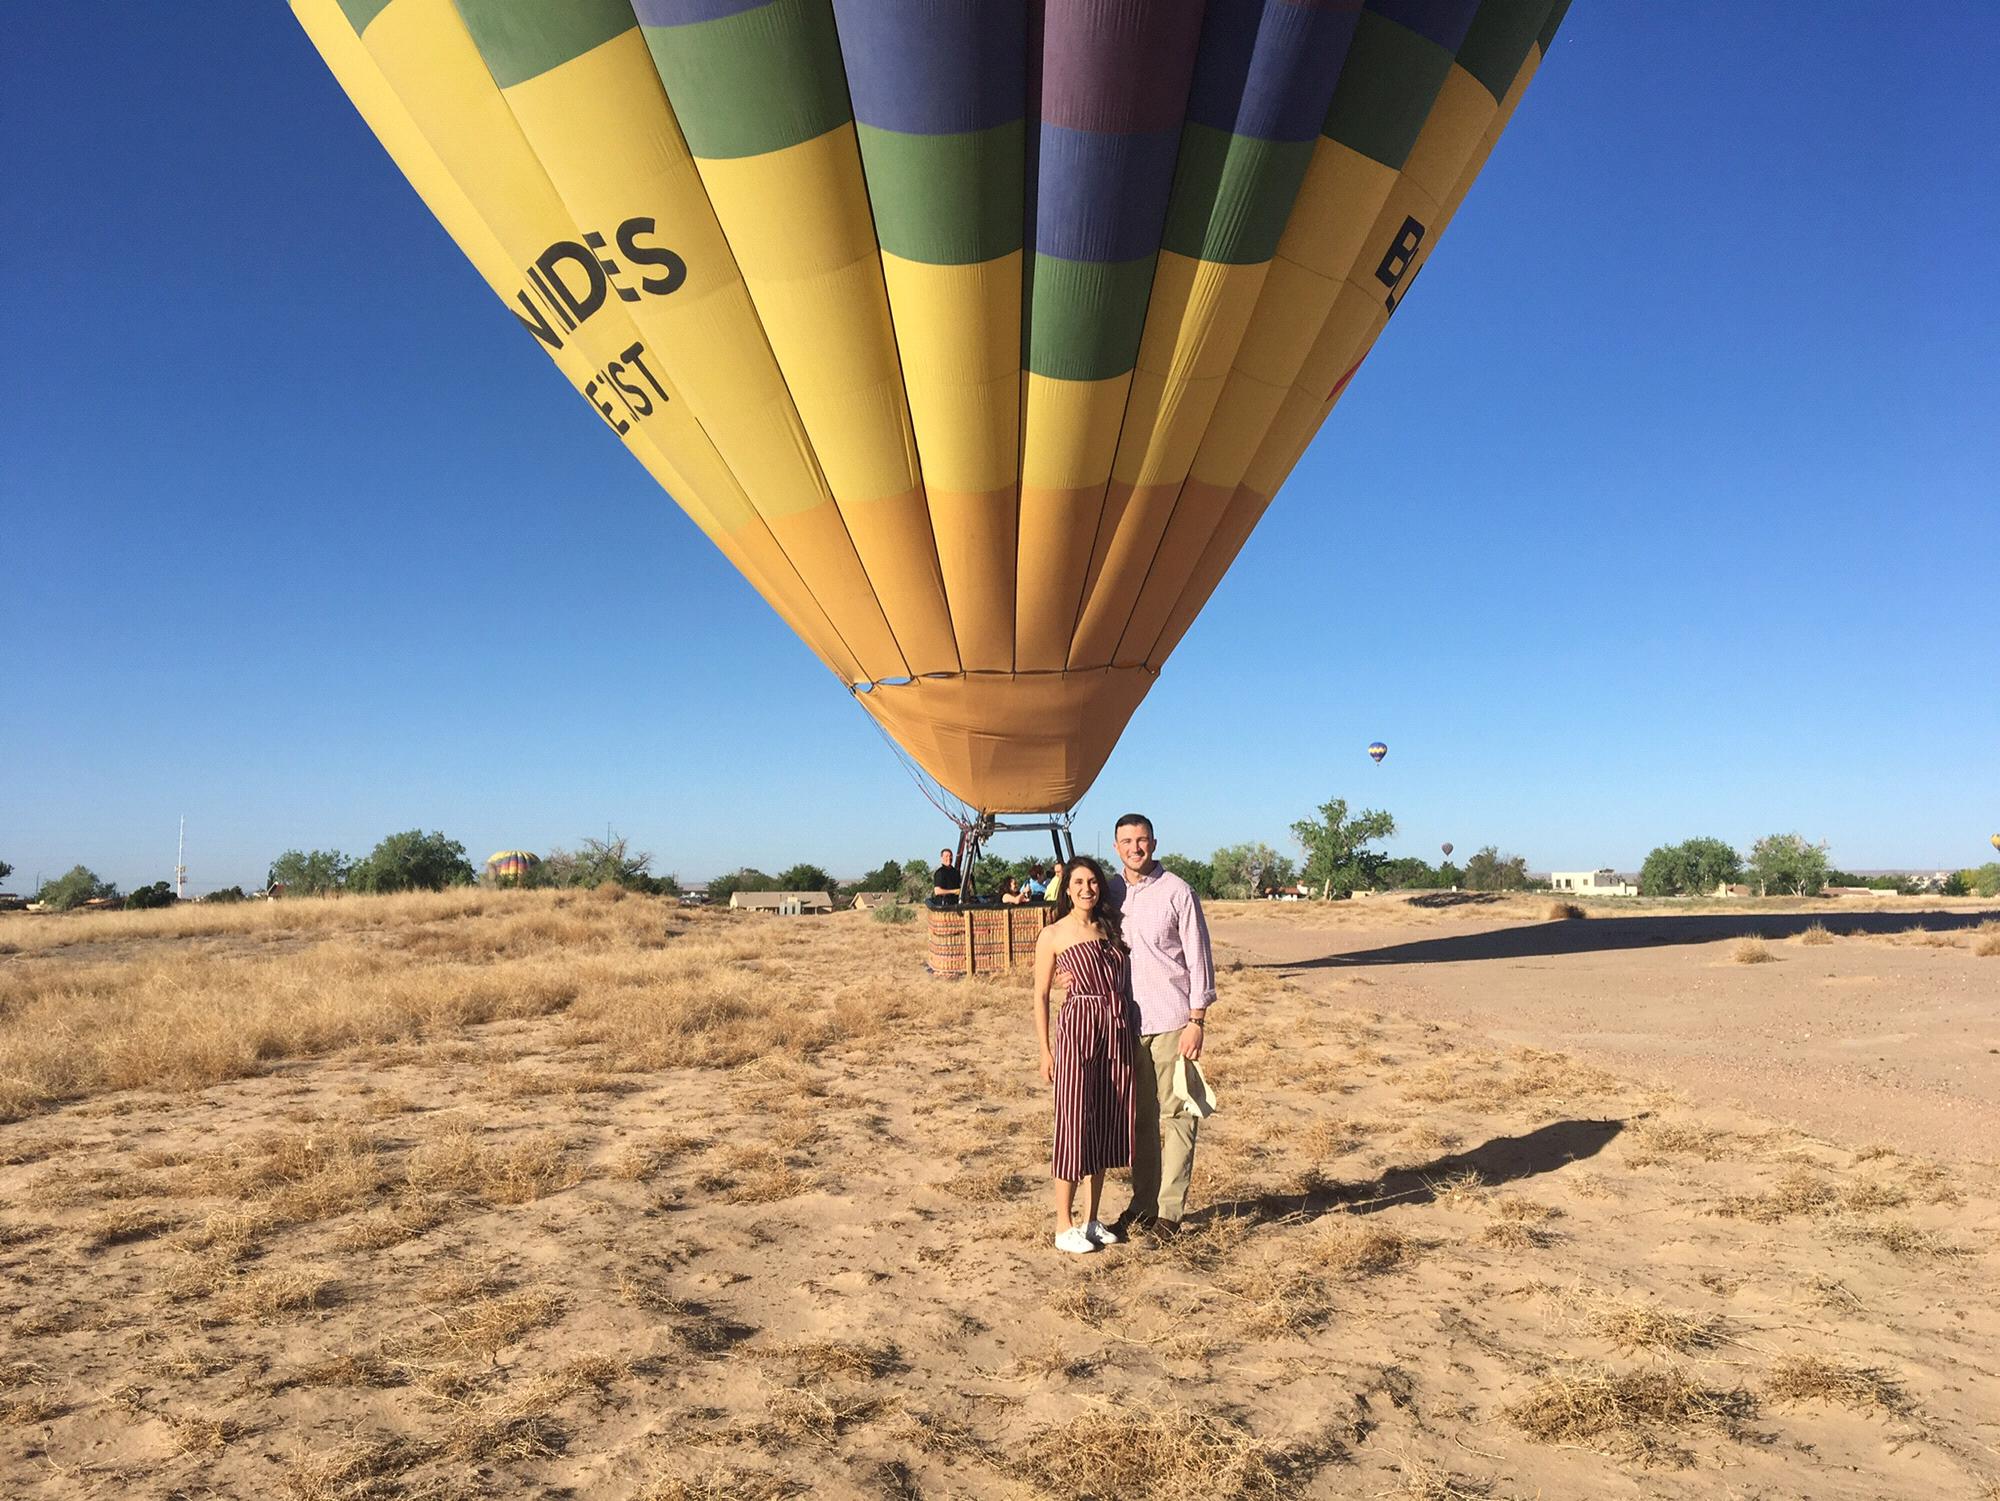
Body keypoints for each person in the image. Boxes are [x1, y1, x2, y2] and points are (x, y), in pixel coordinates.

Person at [1106, 813, 1215, 1239]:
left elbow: (1199, 957)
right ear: (1116, 847)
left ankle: (1170, 1212)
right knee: (1140, 1119)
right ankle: (1142, 1204)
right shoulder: (1108, 892)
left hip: (1172, 1020)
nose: (1135, 847)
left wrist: (1197, 1020)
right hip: (1126, 1023)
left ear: (1155, 843)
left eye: (1142, 840)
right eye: (1127, 841)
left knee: (1178, 1115)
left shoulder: (1178, 892)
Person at [1031, 856, 1137, 1254]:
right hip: (1077, 1029)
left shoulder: (1110, 928)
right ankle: (1064, 1224)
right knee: (1074, 1123)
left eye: (1093, 882)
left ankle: (1092, 1220)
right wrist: (1045, 1051)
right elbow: (1040, 995)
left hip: (1116, 1028)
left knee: (1107, 1121)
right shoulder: (1053, 934)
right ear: (1067, 887)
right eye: (1079, 882)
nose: (1086, 889)